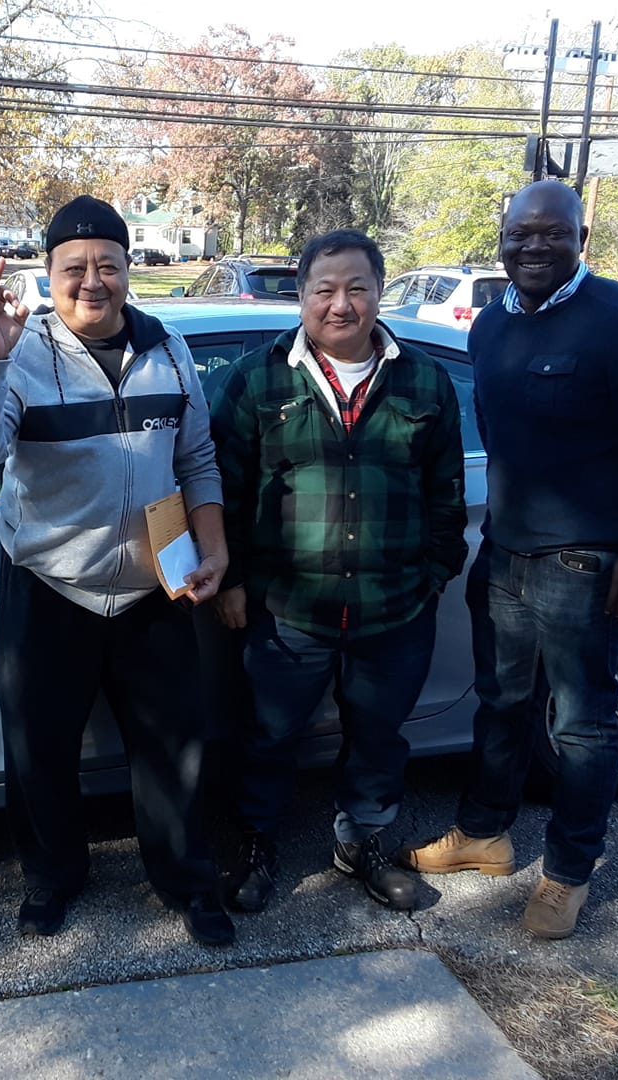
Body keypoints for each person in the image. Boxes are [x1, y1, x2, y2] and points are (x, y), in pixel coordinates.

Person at [401, 180, 618, 940]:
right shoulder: (492, 325)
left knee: (583, 726)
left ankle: (568, 871)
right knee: (500, 703)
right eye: (520, 233)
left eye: (552, 232)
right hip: (504, 553)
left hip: (586, 564)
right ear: (502, 238)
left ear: (581, 237)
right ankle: (485, 834)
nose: (534, 245)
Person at [0, 195, 235, 947]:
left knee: (175, 750)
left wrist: (215, 548)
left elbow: (197, 460)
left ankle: (187, 881)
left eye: (108, 264)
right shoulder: (18, 353)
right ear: (50, 274)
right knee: (38, 751)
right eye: (75, 268)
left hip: (153, 592)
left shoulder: (169, 350)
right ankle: (51, 878)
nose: (93, 281)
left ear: (129, 269)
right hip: (49, 589)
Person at [209, 228, 468, 914]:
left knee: (378, 738)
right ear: (301, 296)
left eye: (357, 288)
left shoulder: (425, 380)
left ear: (380, 293)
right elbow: (222, 490)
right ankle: (255, 845)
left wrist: (435, 574)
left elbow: (446, 492)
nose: (341, 304)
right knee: (268, 737)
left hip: (396, 609)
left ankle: (363, 844)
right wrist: (233, 582)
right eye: (324, 290)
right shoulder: (258, 379)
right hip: (287, 611)